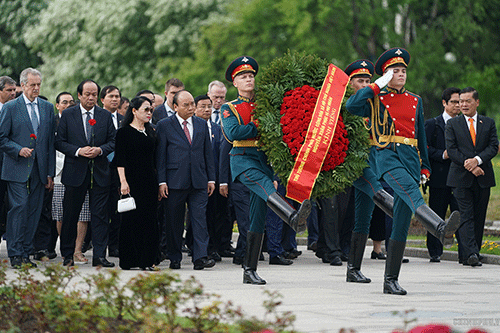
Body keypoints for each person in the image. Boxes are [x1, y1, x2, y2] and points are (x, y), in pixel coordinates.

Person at [346, 48, 460, 295]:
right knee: (408, 192)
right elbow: (351, 106)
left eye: (403, 71)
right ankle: (440, 228)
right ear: (386, 75)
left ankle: (390, 280)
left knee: (400, 220)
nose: (400, 74)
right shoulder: (376, 98)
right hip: (385, 156)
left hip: (409, 159)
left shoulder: (415, 100)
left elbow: (419, 135)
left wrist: (425, 166)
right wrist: (376, 86)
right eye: (394, 71)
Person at [221, 56, 311, 285]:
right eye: (243, 77)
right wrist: (257, 125)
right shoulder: (229, 108)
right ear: (235, 83)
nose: (248, 79)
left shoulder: (265, 105)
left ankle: (249, 270)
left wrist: (273, 173)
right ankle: (292, 217)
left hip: (263, 161)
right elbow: (234, 134)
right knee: (261, 186)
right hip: (242, 161)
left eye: (251, 75)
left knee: (257, 220)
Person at [55, 79, 116, 267]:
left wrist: (100, 150)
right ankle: (67, 254)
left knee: (100, 216)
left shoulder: (104, 116)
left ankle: (99, 255)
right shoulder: (68, 115)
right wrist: (78, 151)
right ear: (79, 95)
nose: (91, 97)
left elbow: (113, 141)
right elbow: (60, 142)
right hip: (75, 172)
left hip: (99, 173)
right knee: (71, 215)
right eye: (87, 94)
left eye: (94, 94)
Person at [344, 59, 394, 283]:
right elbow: (353, 106)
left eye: (367, 80)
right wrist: (374, 87)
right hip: (355, 163)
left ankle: (353, 269)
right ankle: (410, 213)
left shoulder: (373, 104)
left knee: (364, 216)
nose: (364, 84)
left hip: (373, 161)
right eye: (359, 81)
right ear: (350, 83)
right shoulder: (347, 103)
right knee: (377, 190)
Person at [0, 68, 56, 269]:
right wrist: (18, 149)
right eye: (32, 85)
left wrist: (50, 173)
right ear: (22, 86)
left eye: (39, 84)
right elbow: (2, 138)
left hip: (40, 168)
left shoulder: (47, 107)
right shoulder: (11, 107)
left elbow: (50, 142)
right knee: (20, 207)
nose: (36, 88)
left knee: (34, 210)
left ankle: (25, 252)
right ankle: (15, 253)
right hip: (16, 166)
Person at [156, 90, 216, 270]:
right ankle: (175, 257)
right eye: (186, 105)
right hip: (174, 181)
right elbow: (160, 157)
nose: (191, 108)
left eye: (192, 104)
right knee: (174, 221)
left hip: (199, 181)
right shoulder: (164, 125)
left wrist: (211, 178)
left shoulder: (201, 124)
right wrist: (161, 182)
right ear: (175, 107)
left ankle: (200, 257)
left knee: (199, 219)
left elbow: (208, 153)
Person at [445, 87, 498, 267]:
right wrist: (469, 165)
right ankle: (472, 253)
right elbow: (452, 150)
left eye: (468, 101)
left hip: (483, 177)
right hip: (460, 177)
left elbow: (493, 146)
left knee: (479, 215)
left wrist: (477, 160)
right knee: (466, 215)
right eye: (461, 101)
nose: (463, 104)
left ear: (477, 102)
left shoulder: (488, 122)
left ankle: (469, 253)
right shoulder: (452, 124)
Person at [114, 96, 159, 270]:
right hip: (131, 181)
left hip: (149, 180)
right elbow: (120, 159)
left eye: (151, 110)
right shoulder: (123, 132)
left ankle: (147, 260)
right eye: (146, 109)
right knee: (131, 220)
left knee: (150, 220)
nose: (149, 113)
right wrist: (123, 182)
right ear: (134, 111)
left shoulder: (151, 131)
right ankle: (129, 260)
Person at [425, 87, 461, 263]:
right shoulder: (433, 124)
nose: (457, 106)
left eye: (459, 102)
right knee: (436, 213)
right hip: (439, 178)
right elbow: (424, 149)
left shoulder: (464, 124)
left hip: (460, 178)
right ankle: (434, 251)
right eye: (454, 102)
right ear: (444, 103)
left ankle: (466, 251)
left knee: (461, 213)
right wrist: (442, 154)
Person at [100, 85, 123, 258]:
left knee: (118, 210)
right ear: (102, 100)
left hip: (119, 171)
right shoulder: (96, 118)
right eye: (111, 96)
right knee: (100, 211)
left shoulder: (124, 119)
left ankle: (114, 245)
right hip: (100, 169)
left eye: (117, 96)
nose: (115, 99)